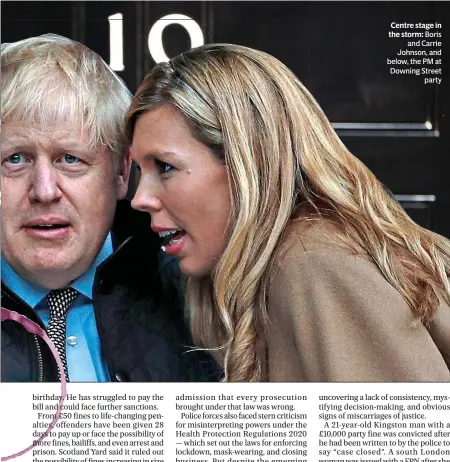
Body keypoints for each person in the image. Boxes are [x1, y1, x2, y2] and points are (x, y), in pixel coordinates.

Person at [125, 43, 450, 382]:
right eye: (139, 170)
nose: (140, 198)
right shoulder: (292, 261)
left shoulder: (314, 261)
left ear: (246, 164)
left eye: (165, 167)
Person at [1, 34, 219, 382]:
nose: (44, 191)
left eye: (70, 159)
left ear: (120, 172)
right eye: (14, 159)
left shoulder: (196, 293)